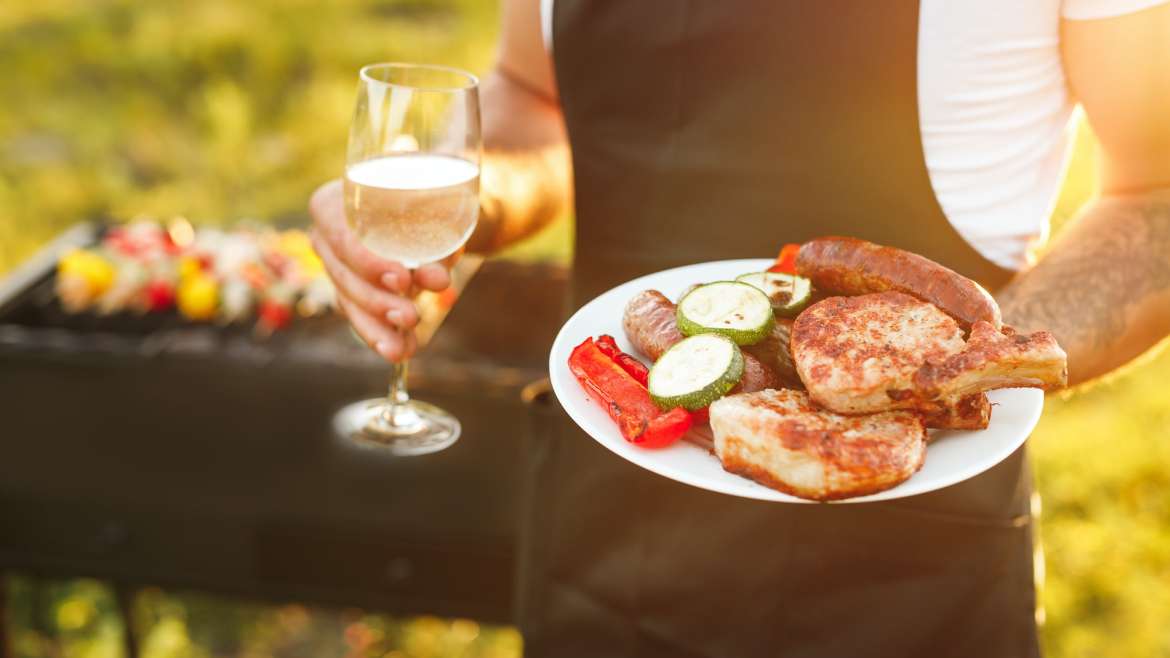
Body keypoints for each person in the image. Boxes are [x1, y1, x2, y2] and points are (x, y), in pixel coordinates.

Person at [310, 1, 1170, 655]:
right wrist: (462, 202)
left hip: (914, 576)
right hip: (608, 525)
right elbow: (532, 102)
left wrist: (956, 369)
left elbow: (1156, 196)